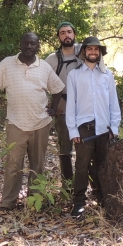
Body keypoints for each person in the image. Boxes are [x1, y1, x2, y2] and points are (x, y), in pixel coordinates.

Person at [0, 32, 65, 211]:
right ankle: (8, 202)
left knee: (37, 165)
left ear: (38, 46)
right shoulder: (8, 64)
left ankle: (34, 202)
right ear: (21, 44)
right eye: (26, 43)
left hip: (40, 123)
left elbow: (58, 88)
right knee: (13, 165)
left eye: (33, 44)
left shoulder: (44, 67)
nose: (29, 47)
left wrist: (54, 109)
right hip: (16, 123)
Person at [65, 36, 121, 220]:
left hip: (104, 128)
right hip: (84, 127)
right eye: (90, 49)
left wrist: (114, 127)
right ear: (83, 52)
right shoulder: (74, 75)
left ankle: (103, 198)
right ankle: (79, 203)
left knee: (102, 164)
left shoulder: (107, 75)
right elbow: (70, 106)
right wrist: (73, 130)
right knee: (82, 165)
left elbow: (113, 103)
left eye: (96, 50)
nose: (93, 52)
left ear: (100, 53)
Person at [44, 22, 84, 187]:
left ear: (74, 34)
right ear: (58, 37)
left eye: (69, 32)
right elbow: (41, 83)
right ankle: (67, 187)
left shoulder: (84, 52)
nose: (66, 35)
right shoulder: (52, 59)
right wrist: (51, 104)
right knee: (65, 151)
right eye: (62, 33)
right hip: (63, 108)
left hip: (84, 107)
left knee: (85, 149)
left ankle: (85, 186)